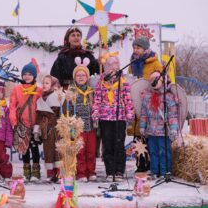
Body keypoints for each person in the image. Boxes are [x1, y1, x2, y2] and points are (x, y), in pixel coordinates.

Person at [92, 53, 134, 182]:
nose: (112, 68)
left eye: (115, 65)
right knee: (107, 145)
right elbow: (97, 100)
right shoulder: (101, 83)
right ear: (105, 68)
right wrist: (95, 112)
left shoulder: (123, 83)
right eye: (109, 65)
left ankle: (119, 171)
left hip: (119, 117)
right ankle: (110, 171)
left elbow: (128, 100)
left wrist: (130, 115)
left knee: (119, 144)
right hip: (105, 118)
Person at [139, 71, 179, 178]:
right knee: (153, 151)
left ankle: (165, 171)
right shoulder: (147, 96)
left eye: (157, 80)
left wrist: (174, 129)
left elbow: (173, 115)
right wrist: (142, 126)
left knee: (164, 151)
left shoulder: (169, 97)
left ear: (163, 81)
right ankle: (154, 170)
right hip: (151, 131)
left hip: (163, 131)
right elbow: (144, 113)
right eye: (152, 80)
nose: (154, 82)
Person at [64, 57, 96, 182]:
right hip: (77, 128)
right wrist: (71, 128)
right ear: (74, 78)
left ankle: (91, 171)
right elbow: (68, 111)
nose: (81, 77)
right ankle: (81, 173)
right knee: (80, 151)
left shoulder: (91, 91)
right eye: (78, 75)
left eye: (83, 75)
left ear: (87, 77)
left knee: (91, 151)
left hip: (91, 126)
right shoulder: (71, 91)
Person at [9, 59, 42, 181]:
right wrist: (13, 121)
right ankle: (26, 172)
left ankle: (36, 173)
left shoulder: (39, 90)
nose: (27, 76)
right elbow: (12, 106)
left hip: (34, 126)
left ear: (34, 76)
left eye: (30, 74)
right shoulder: (17, 89)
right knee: (24, 149)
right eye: (25, 74)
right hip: (22, 124)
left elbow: (42, 107)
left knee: (34, 148)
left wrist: (40, 124)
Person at [34, 75, 64, 183]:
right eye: (43, 83)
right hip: (46, 129)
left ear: (53, 85)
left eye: (47, 83)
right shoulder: (40, 99)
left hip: (57, 128)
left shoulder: (59, 96)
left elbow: (64, 112)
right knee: (48, 151)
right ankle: (51, 174)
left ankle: (60, 174)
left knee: (58, 151)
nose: (44, 85)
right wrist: (36, 130)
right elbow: (38, 116)